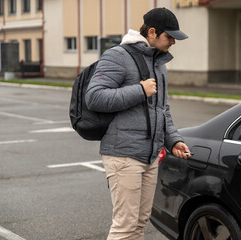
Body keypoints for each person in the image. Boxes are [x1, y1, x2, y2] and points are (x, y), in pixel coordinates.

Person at [85, 7, 191, 240]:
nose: (173, 41)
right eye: (169, 36)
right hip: (123, 154)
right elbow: (94, 97)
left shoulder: (159, 63)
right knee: (125, 225)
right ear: (152, 32)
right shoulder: (118, 56)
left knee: (140, 222)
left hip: (150, 155)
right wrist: (140, 91)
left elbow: (162, 108)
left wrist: (174, 140)